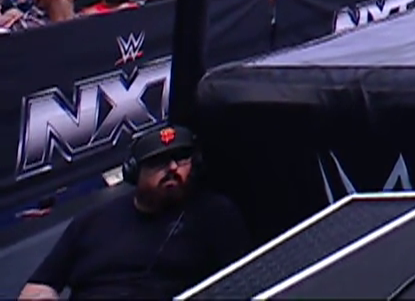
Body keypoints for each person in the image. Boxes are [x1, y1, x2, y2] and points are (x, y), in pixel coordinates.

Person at [21, 124, 248, 300]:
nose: (172, 168)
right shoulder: (92, 220)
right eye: (158, 162)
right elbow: (39, 286)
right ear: (133, 172)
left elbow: (244, 282)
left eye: (181, 158)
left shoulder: (216, 214)